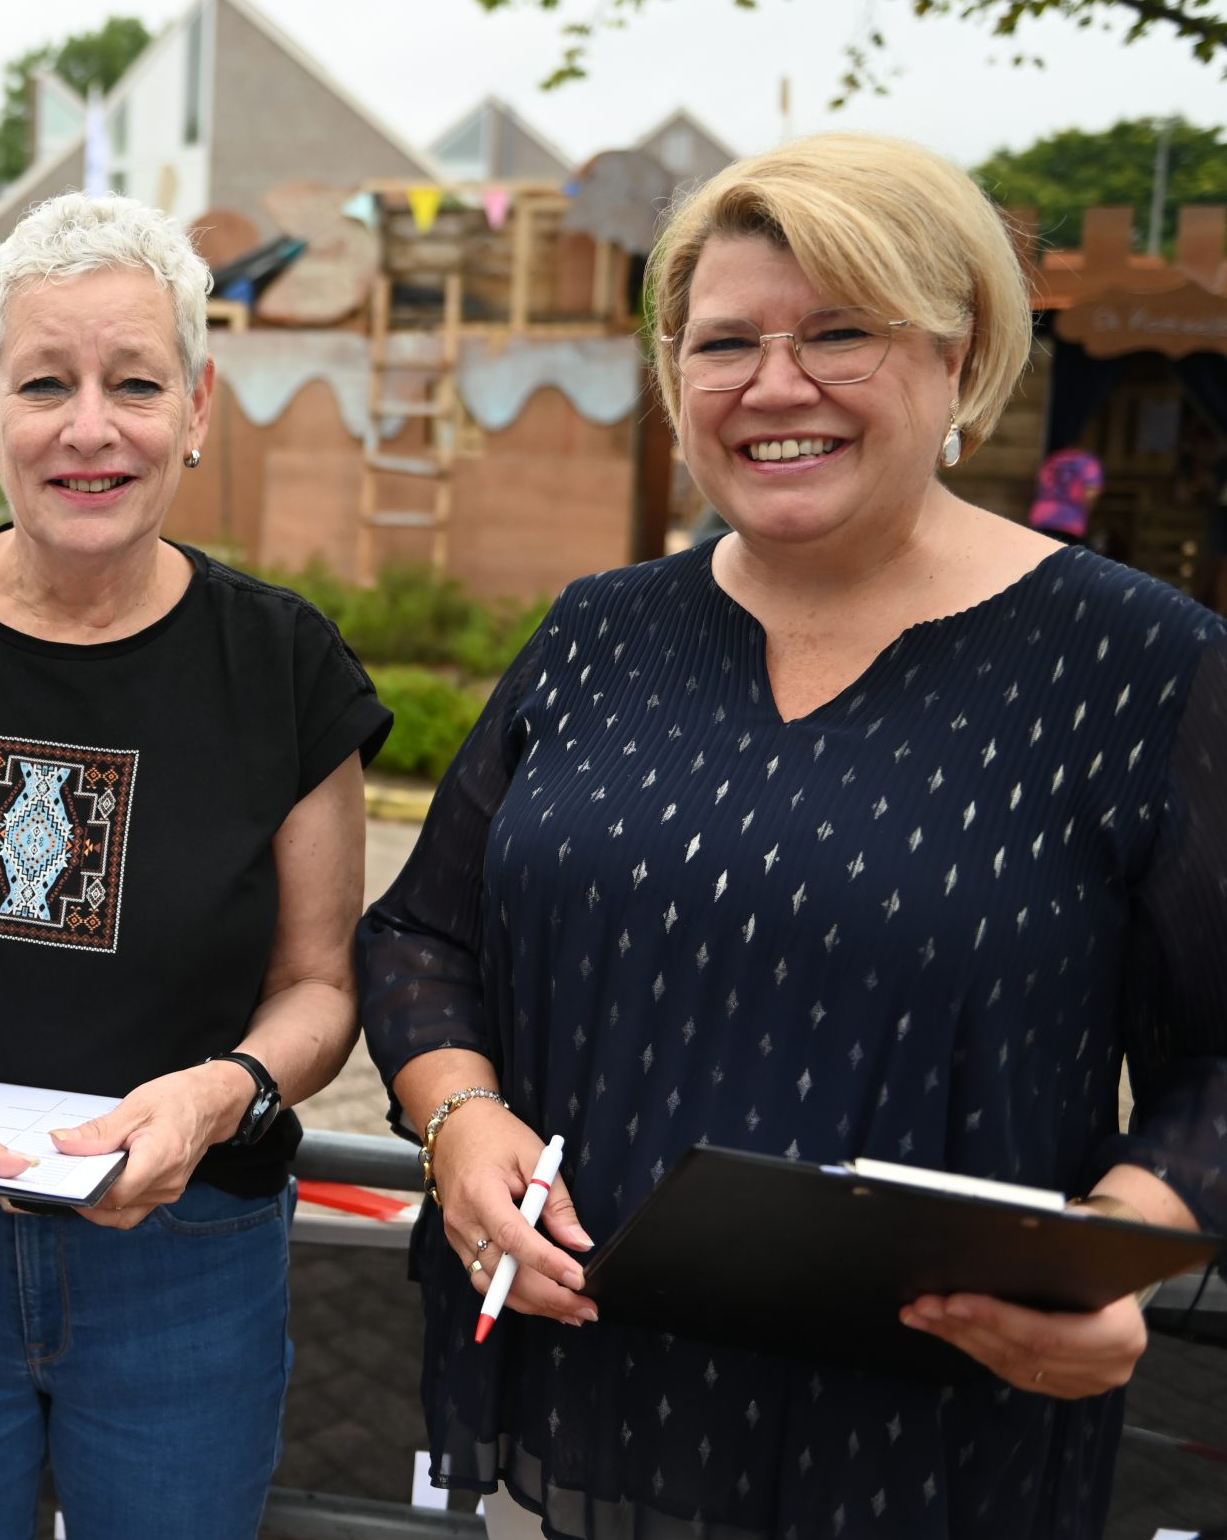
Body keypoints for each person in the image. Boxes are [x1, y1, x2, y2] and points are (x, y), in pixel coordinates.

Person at [359, 132, 1226, 1540]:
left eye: (838, 332)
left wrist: (1113, 1248)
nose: (774, 386)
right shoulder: (597, 633)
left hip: (924, 1449)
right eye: (723, 344)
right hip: (586, 1410)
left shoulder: (1140, 668)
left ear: (958, 351)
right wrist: (459, 1118)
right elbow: (420, 934)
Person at [0, 192, 390, 1539]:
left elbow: (321, 987)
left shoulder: (284, 665)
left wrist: (224, 1093)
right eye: (45, 383)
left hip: (186, 1255)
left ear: (197, 408)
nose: (89, 427)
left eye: (135, 383)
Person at [1028, 444, 1103, 545]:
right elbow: (1091, 494)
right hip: (1070, 521)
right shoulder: (1088, 461)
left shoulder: (1053, 458)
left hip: (1042, 517)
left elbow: (1040, 484)